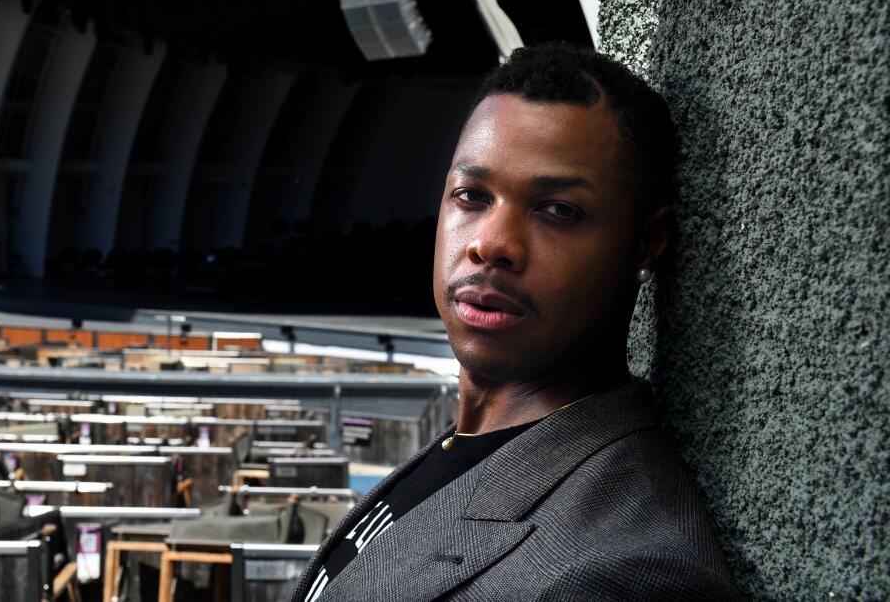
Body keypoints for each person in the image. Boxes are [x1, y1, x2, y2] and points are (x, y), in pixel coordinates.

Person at [289, 43, 741, 601]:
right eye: (472, 196)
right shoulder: (468, 450)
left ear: (646, 243)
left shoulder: (623, 571)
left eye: (558, 210)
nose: (492, 244)